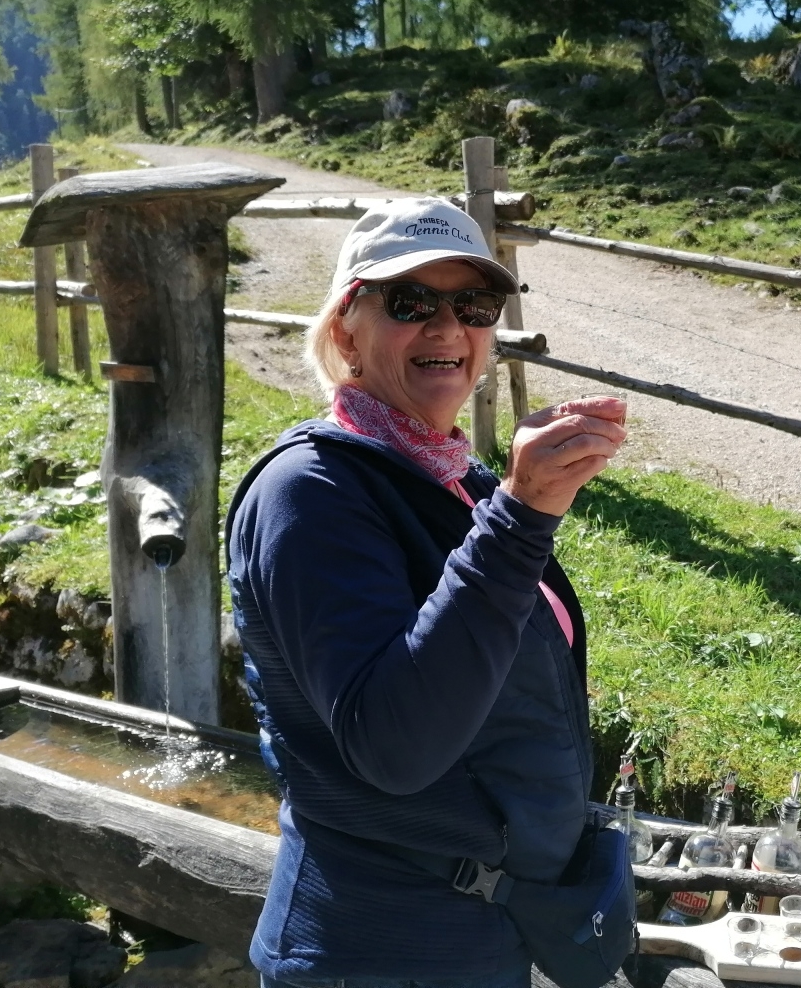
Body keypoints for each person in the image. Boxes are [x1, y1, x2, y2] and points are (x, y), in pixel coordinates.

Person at [226, 196, 628, 988]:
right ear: (347, 330)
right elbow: (395, 745)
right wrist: (520, 518)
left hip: (488, 930)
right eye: (410, 302)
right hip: (382, 950)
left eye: (473, 305)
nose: (447, 327)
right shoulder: (308, 491)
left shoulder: (454, 477)